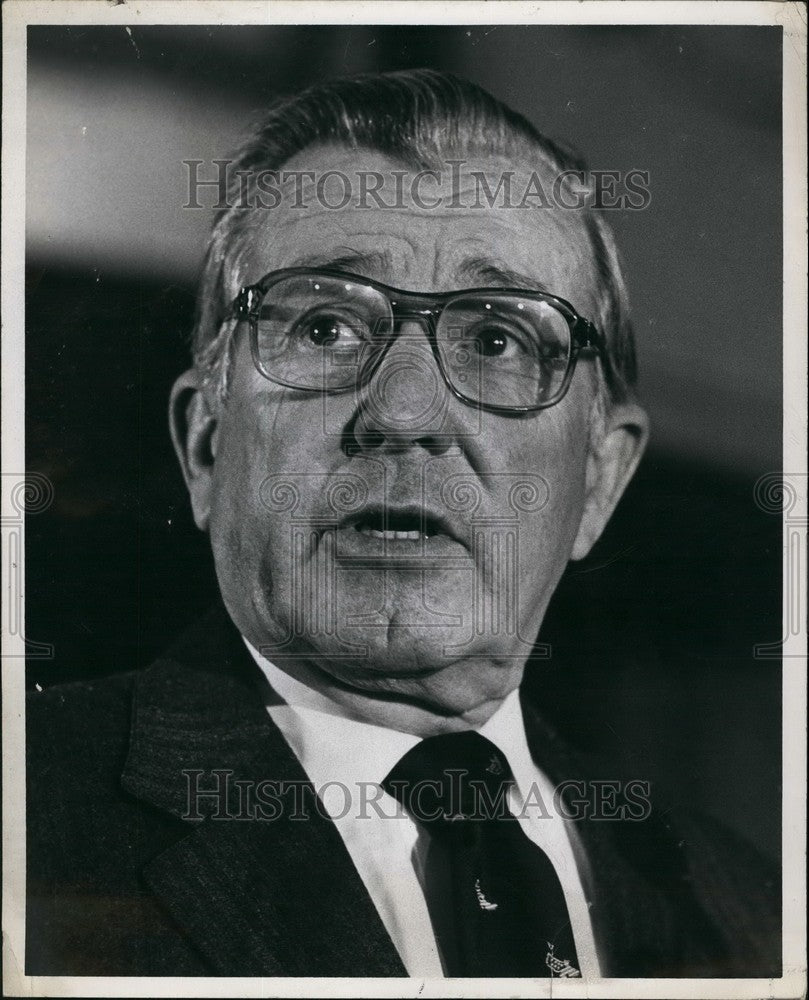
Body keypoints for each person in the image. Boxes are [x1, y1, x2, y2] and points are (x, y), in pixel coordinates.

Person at [26, 69, 780, 979]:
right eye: (325, 329)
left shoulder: (748, 909)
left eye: (498, 339)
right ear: (206, 445)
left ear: (598, 480)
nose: (404, 412)